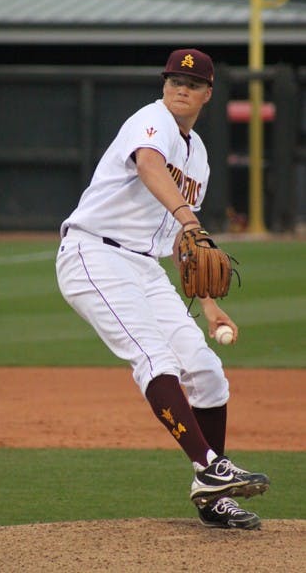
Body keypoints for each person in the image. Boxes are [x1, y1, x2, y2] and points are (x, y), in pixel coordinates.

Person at [55, 48, 269, 530]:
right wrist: (190, 218)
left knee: (208, 372)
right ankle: (212, 468)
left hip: (145, 268)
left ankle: (212, 496)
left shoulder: (200, 158)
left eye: (191, 84)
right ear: (164, 84)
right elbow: (150, 166)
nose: (180, 88)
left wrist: (210, 305)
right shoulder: (149, 120)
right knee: (156, 358)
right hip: (95, 254)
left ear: (207, 94)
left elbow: (183, 243)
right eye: (174, 79)